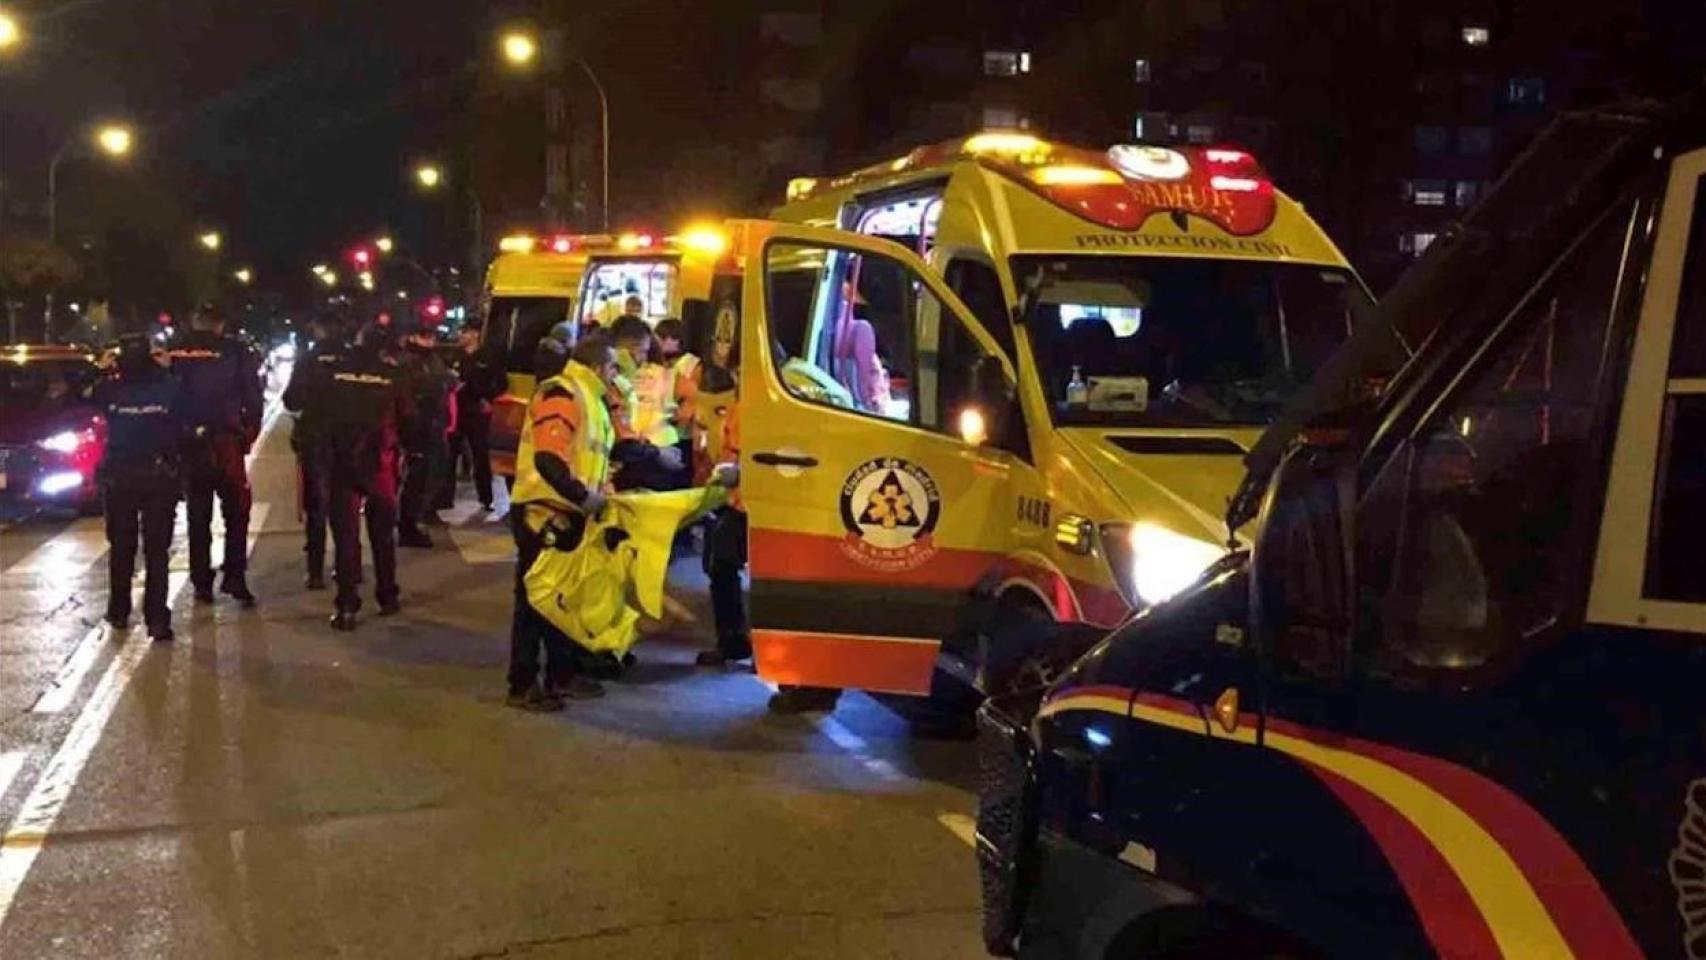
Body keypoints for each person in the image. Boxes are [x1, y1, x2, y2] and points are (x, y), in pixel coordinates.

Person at [506, 332, 621, 709]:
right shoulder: (565, 393)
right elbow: (548, 460)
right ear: (600, 366)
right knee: (535, 599)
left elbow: (583, 457)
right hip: (546, 512)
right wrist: (583, 497)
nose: (616, 376)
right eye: (614, 368)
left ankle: (562, 674)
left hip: (565, 511)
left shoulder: (588, 399)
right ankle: (523, 684)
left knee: (562, 597)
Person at [305, 320, 416, 631]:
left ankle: (347, 605)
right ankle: (387, 595)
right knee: (382, 535)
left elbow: (313, 412)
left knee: (346, 538)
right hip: (379, 462)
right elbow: (409, 419)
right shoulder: (392, 376)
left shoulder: (332, 373)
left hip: (340, 463)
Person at [167, 301, 263, 607]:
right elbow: (254, 398)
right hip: (225, 443)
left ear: (196, 319)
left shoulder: (174, 350)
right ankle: (235, 576)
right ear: (221, 323)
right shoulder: (236, 352)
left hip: (188, 443)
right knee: (236, 511)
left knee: (198, 515)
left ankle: (201, 582)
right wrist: (246, 435)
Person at [94, 333, 183, 642]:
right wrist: (168, 369)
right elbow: (187, 414)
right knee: (157, 551)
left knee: (121, 547)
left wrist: (100, 370)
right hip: (158, 475)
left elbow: (80, 398)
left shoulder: (110, 389)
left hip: (120, 476)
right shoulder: (169, 386)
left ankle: (119, 611)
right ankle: (156, 619)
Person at [283, 314, 351, 590]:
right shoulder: (352, 359)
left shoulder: (308, 360)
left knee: (316, 506)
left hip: (315, 438)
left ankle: (315, 571)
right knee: (344, 506)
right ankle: (348, 567)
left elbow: (291, 399)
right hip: (348, 439)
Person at [608, 315, 687, 491]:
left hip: (638, 457)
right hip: (630, 464)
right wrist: (657, 453)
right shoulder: (611, 385)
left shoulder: (622, 383)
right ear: (627, 350)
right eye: (642, 351)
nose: (643, 359)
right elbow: (622, 440)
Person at [397, 322, 456, 547]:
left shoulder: (432, 359)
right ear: (413, 337)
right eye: (425, 336)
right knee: (415, 478)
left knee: (429, 475)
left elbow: (442, 381)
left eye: (431, 336)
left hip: (434, 426)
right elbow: (414, 393)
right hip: (418, 429)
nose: (430, 341)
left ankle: (417, 517)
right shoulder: (409, 361)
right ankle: (408, 524)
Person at [444, 321, 503, 512]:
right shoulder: (455, 356)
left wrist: (488, 398)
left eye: (465, 332)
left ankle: (486, 498)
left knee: (480, 455)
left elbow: (502, 383)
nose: (461, 335)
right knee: (450, 456)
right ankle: (444, 498)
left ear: (475, 334)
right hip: (457, 411)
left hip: (477, 412)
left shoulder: (487, 357)